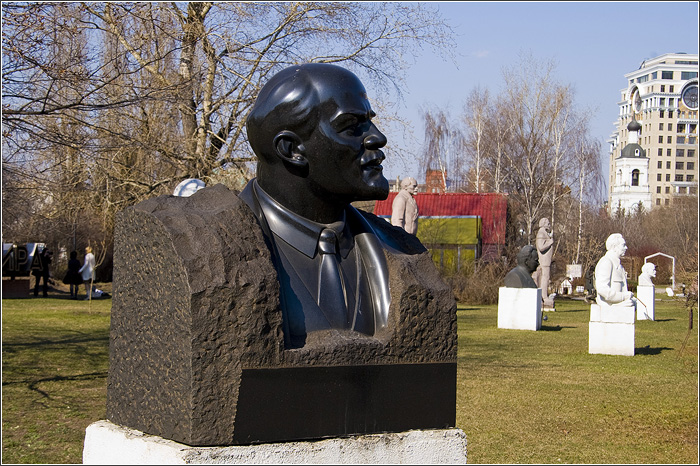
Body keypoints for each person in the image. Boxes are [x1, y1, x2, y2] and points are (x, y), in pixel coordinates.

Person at [239, 63, 393, 349]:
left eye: (370, 122)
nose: (377, 137)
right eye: (352, 127)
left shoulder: (396, 248)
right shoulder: (221, 249)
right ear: (291, 149)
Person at [594, 233, 635, 308]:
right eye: (623, 245)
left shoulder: (619, 266)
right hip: (609, 307)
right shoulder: (606, 262)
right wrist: (623, 297)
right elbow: (602, 289)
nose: (626, 248)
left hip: (618, 306)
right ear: (614, 247)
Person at [534, 217, 554, 306]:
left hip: (546, 261)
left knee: (546, 277)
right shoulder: (541, 233)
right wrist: (550, 242)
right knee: (545, 278)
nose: (549, 225)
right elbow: (541, 247)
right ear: (543, 224)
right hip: (544, 261)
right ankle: (544, 296)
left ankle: (543, 296)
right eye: (548, 223)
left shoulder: (544, 233)